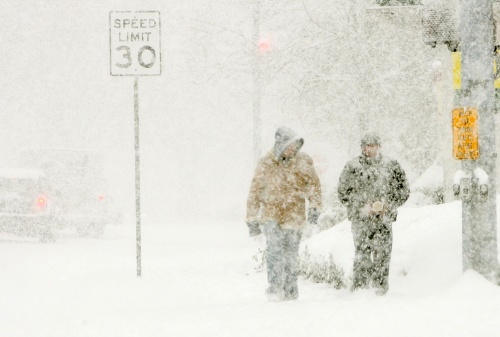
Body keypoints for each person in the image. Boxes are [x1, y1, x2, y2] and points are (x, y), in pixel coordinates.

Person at [246, 127, 322, 301]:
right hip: (271, 216)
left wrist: (314, 213)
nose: (292, 150)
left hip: (294, 216)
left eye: (295, 146)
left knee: (291, 254)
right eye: (289, 146)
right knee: (274, 252)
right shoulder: (266, 163)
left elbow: (314, 188)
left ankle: (290, 289)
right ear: (279, 144)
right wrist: (252, 222)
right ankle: (275, 288)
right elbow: (254, 192)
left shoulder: (303, 161)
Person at [337, 133, 409, 295]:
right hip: (361, 220)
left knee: (383, 256)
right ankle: (360, 290)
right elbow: (343, 193)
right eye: (367, 145)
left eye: (374, 145)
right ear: (362, 147)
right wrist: (362, 206)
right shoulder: (352, 167)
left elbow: (403, 190)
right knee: (362, 254)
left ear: (379, 146)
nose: (370, 149)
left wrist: (388, 205)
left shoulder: (391, 165)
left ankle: (380, 290)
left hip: (383, 220)